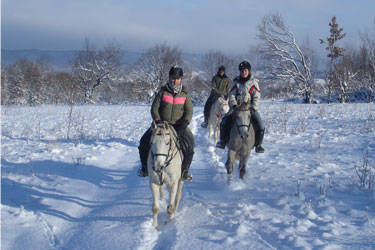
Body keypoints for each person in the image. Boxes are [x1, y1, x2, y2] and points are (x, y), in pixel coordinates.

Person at [137, 66, 194, 181]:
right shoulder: (163, 92)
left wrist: (185, 122)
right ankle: (145, 168)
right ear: (170, 78)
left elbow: (189, 111)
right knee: (144, 142)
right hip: (161, 125)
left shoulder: (184, 94)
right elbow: (154, 108)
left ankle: (185, 171)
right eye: (173, 78)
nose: (175, 80)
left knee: (189, 145)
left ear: (181, 79)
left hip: (179, 125)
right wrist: (157, 120)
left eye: (177, 78)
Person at [216, 61, 265, 153]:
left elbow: (257, 96)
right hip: (237, 108)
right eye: (242, 71)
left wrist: (253, 107)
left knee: (261, 124)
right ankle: (222, 141)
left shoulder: (254, 83)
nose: (244, 72)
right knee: (224, 121)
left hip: (249, 109)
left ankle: (259, 144)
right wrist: (234, 105)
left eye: (245, 70)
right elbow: (231, 95)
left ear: (249, 71)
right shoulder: (236, 82)